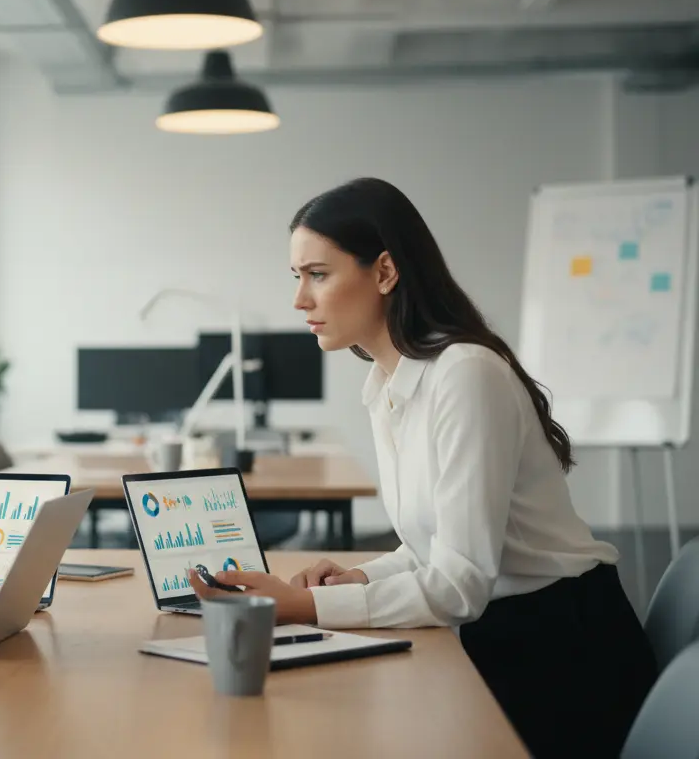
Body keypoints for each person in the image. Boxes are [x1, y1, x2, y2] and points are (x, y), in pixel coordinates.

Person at [190, 178, 656, 758]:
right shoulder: (387, 383)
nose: (299, 300)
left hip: (563, 656)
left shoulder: (465, 375)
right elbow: (432, 547)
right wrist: (360, 579)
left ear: (385, 272)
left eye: (318, 274)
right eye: (296, 276)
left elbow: (461, 582)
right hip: (503, 632)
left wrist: (305, 606)